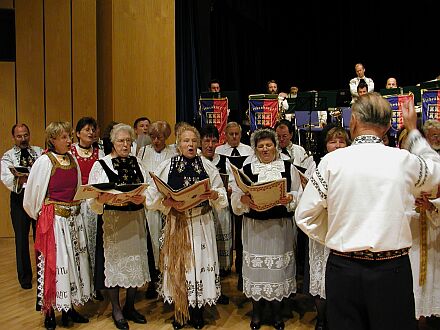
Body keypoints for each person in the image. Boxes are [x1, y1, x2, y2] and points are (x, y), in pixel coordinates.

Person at [295, 92, 440, 330]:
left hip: (344, 268)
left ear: (353, 121)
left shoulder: (332, 162)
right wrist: (413, 131)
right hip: (391, 269)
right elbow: (437, 171)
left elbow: (305, 215)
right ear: (388, 126)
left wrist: (338, 233)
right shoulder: (403, 160)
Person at [145, 124, 228, 329]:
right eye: (185, 141)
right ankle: (180, 311)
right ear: (178, 144)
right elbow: (151, 196)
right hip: (178, 223)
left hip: (201, 222)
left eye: (193, 141)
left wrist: (215, 195)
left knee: (199, 266)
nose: (190, 145)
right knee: (180, 267)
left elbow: (221, 193)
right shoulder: (167, 166)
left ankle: (197, 310)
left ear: (197, 143)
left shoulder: (207, 166)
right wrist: (167, 203)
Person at [230, 128, 302, 330]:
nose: (265, 149)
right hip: (255, 227)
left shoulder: (287, 165)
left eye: (268, 145)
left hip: (279, 227)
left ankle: (277, 314)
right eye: (260, 146)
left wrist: (290, 198)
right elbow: (237, 194)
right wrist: (243, 199)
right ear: (255, 148)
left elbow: (299, 192)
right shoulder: (247, 165)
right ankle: (257, 312)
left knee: (277, 271)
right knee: (257, 271)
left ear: (276, 145)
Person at [23, 121, 92, 330]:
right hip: (55, 222)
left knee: (73, 266)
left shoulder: (72, 160)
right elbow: (32, 196)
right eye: (64, 137)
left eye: (69, 136)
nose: (69, 140)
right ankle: (50, 312)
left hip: (73, 220)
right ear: (52, 139)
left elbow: (78, 187)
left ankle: (69, 308)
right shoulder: (44, 162)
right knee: (55, 266)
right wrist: (43, 215)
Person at [88, 123, 151, 329]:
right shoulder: (101, 164)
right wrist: (104, 199)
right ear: (112, 143)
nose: (125, 145)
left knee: (135, 265)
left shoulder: (138, 163)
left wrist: (142, 199)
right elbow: (92, 199)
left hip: (134, 221)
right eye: (121, 141)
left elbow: (149, 190)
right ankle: (116, 308)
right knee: (115, 266)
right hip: (114, 222)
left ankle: (130, 306)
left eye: (128, 141)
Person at [306, 124, 350, 330]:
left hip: (344, 227)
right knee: (320, 274)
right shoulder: (316, 165)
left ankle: (339, 318)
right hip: (322, 226)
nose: (338, 145)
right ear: (326, 145)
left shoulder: (354, 166)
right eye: (333, 141)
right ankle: (321, 319)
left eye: (342, 141)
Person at [137, 120, 177, 299]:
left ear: (166, 137)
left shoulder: (174, 152)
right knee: (153, 242)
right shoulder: (144, 151)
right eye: (152, 137)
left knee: (168, 242)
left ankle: (169, 280)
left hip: (169, 203)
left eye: (159, 137)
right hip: (151, 204)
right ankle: (153, 281)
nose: (155, 141)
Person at [1, 123, 42, 290]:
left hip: (37, 198)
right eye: (19, 136)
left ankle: (43, 273)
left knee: (40, 237)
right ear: (13, 137)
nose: (23, 139)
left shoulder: (39, 152)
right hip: (19, 199)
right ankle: (25, 278)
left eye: (25, 135)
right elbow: (7, 177)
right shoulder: (8, 156)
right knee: (21, 239)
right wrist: (21, 178)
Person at [215, 121, 253, 290]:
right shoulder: (219, 151)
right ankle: (224, 264)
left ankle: (240, 263)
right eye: (231, 134)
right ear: (225, 135)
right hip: (224, 193)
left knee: (240, 230)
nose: (234, 137)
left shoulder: (248, 151)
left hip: (240, 194)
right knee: (224, 228)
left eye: (237, 134)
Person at [71, 117, 105, 300]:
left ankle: (96, 284)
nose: (91, 133)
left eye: (93, 129)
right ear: (77, 133)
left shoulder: (99, 153)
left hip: (93, 205)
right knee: (79, 244)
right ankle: (80, 284)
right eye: (86, 130)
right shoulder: (70, 152)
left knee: (93, 243)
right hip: (75, 204)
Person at [199, 124, 232, 305]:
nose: (210, 145)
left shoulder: (223, 160)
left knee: (218, 254)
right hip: (202, 212)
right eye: (206, 140)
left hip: (220, 211)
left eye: (213, 140)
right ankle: (204, 289)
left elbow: (233, 182)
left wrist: (229, 188)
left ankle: (217, 289)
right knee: (206, 254)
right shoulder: (195, 160)